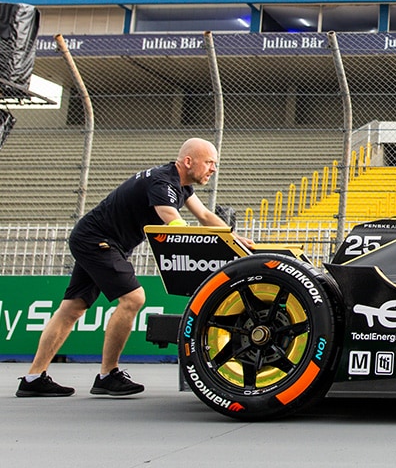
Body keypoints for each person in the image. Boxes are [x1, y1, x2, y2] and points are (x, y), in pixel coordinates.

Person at [16, 137, 246, 398]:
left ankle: (33, 378)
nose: (213, 169)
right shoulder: (162, 182)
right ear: (188, 161)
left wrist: (234, 239)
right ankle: (108, 375)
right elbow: (173, 221)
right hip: (97, 240)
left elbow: (204, 216)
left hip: (97, 239)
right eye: (209, 162)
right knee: (134, 298)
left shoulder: (181, 186)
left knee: (73, 308)